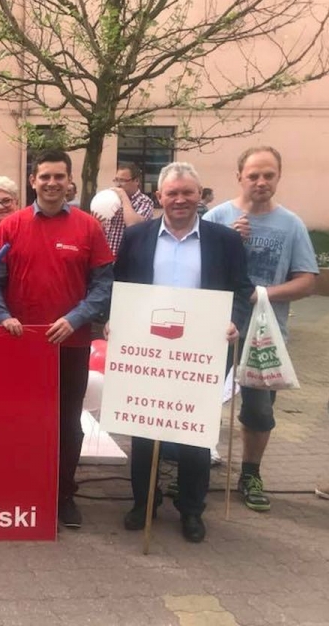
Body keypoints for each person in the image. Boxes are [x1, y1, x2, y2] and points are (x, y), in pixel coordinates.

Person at [114, 162, 253, 543]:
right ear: (159, 196)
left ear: (200, 195)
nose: (179, 199)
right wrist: (115, 320)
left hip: (201, 352)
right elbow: (120, 285)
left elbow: (242, 289)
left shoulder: (224, 240)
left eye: (187, 192)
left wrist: (236, 321)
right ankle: (143, 502)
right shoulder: (137, 237)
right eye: (172, 193)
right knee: (145, 429)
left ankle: (191, 508)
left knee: (195, 433)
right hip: (147, 351)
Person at [0, 149, 113, 529]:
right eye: (45, 177)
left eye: (59, 176)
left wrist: (75, 319)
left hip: (70, 344)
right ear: (33, 181)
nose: (52, 183)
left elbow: (103, 287)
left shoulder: (88, 228)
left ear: (70, 181)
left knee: (67, 423)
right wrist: (4, 316)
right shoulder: (11, 226)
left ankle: (63, 495)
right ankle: (23, 490)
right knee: (22, 420)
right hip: (21, 345)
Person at [204, 146, 318, 511]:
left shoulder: (291, 224)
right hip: (216, 328)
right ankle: (191, 467)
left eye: (269, 175)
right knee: (200, 399)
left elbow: (307, 281)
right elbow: (197, 269)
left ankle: (250, 473)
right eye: (253, 175)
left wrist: (263, 294)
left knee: (258, 411)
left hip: (265, 334)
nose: (261, 182)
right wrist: (227, 243)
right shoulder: (217, 217)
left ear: (278, 177)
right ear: (239, 177)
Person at [102, 162, 154, 255]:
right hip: (107, 258)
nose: (118, 185)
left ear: (136, 181)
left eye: (122, 181)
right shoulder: (111, 200)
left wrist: (123, 196)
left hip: (128, 258)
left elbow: (133, 225)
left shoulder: (144, 201)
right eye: (116, 180)